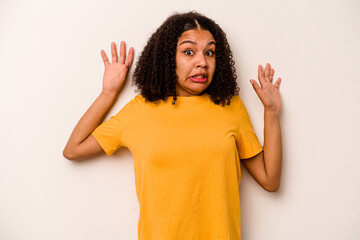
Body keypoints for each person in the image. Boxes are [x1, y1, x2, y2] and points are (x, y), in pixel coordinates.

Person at [63, 11, 282, 240]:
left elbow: (270, 180)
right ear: (168, 58)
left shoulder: (230, 108)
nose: (202, 62)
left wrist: (272, 112)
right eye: (189, 52)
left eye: (210, 52)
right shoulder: (140, 110)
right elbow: (73, 149)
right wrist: (108, 93)